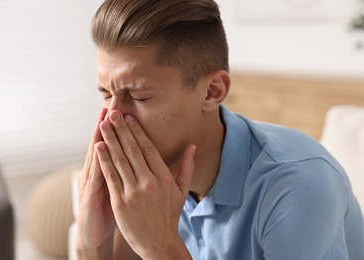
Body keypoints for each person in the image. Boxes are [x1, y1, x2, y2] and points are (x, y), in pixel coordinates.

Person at [76, 0, 364, 259]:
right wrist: (92, 244)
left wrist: (161, 248)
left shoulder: (298, 185)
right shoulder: (146, 184)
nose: (110, 118)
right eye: (105, 94)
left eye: (139, 96)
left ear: (213, 91)